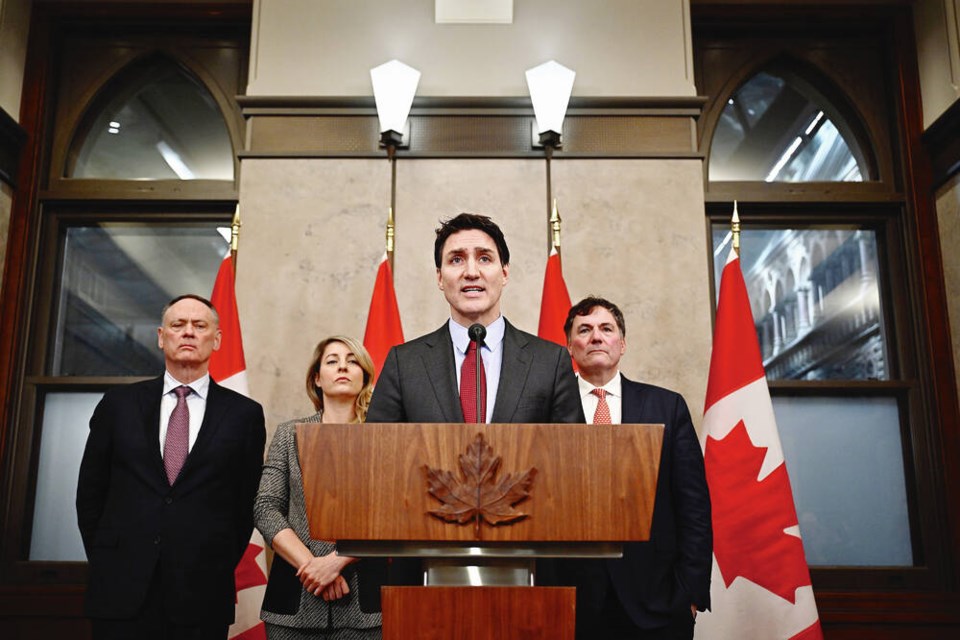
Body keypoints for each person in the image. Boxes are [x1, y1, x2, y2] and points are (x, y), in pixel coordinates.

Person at [362, 212, 584, 610]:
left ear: (504, 272)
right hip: (423, 574)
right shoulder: (403, 362)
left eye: (484, 258)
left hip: (531, 573)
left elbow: (573, 463)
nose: (471, 272)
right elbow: (377, 463)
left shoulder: (550, 361)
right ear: (439, 277)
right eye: (456, 259)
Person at [76, 294, 266, 640]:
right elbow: (90, 493)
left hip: (201, 592)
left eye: (199, 325)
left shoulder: (245, 415)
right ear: (162, 337)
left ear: (217, 339)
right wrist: (110, 558)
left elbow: (244, 506)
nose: (188, 333)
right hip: (120, 590)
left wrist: (213, 559)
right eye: (178, 325)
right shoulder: (118, 404)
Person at [556, 296, 712, 640]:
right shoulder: (549, 409)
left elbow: (693, 506)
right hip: (571, 600)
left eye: (606, 329)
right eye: (584, 330)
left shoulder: (666, 406)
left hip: (657, 601)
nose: (596, 337)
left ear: (622, 344)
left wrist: (689, 592)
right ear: (569, 346)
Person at [254, 335, 382, 639]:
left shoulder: (382, 437)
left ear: (363, 375)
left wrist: (337, 560)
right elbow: (265, 508)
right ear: (317, 378)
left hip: (365, 604)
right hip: (294, 599)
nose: (343, 367)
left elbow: (394, 514)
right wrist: (313, 567)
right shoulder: (289, 435)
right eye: (332, 361)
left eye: (352, 361)